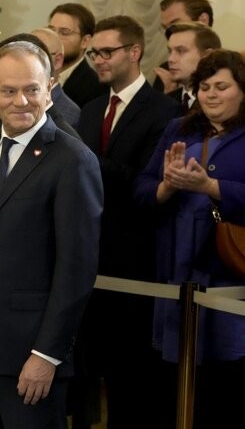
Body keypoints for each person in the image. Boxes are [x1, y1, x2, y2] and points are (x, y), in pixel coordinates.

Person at [0, 40, 102, 429]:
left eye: (32, 89)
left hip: (31, 357)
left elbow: (76, 269)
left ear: (50, 88)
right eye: (9, 91)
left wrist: (47, 354)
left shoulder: (73, 159)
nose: (21, 101)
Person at [77, 15, 180, 429]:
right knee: (88, 366)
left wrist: (85, 160)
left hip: (136, 258)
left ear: (134, 52)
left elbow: (143, 184)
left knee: (132, 376)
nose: (98, 60)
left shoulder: (164, 111)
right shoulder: (90, 110)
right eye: (93, 53)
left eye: (106, 52)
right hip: (90, 255)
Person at [135, 49, 245, 429]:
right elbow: (142, 190)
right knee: (178, 376)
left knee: (226, 381)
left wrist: (209, 185)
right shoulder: (179, 129)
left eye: (222, 86)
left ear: (242, 90)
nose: (211, 95)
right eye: (204, 87)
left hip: (229, 275)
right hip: (177, 270)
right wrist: (167, 186)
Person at [48, 3, 108, 108]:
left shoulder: (96, 88)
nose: (54, 38)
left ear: (85, 41)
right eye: (51, 31)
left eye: (64, 32)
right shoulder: (37, 75)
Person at [154, 0, 213, 93]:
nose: (169, 33)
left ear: (203, 21)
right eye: (165, 28)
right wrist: (169, 94)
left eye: (175, 24)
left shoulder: (229, 70)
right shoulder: (166, 70)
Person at [164, 22, 221, 112]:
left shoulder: (222, 101)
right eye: (170, 51)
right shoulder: (165, 103)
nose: (170, 59)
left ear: (207, 55)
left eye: (180, 51)